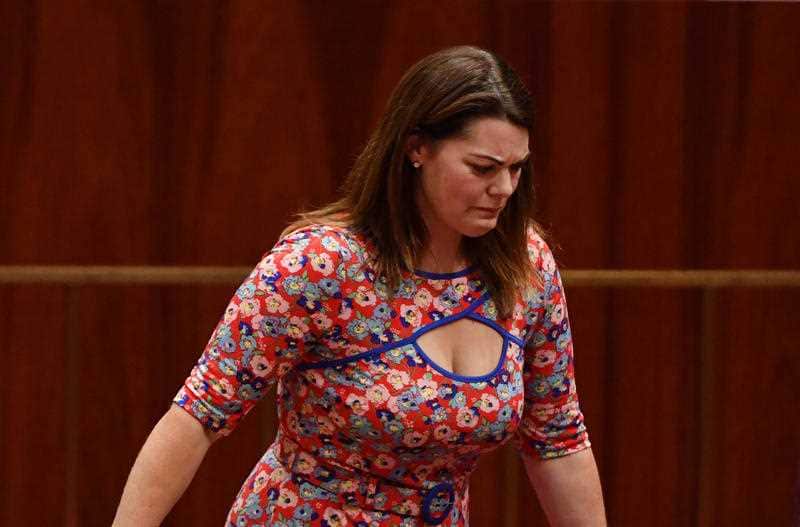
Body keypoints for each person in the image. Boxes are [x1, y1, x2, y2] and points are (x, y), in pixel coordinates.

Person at [113, 45, 606, 526]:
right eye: (483, 168)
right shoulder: (321, 265)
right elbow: (199, 413)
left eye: (516, 168)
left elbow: (557, 439)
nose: (504, 189)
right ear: (416, 149)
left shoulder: (525, 266)